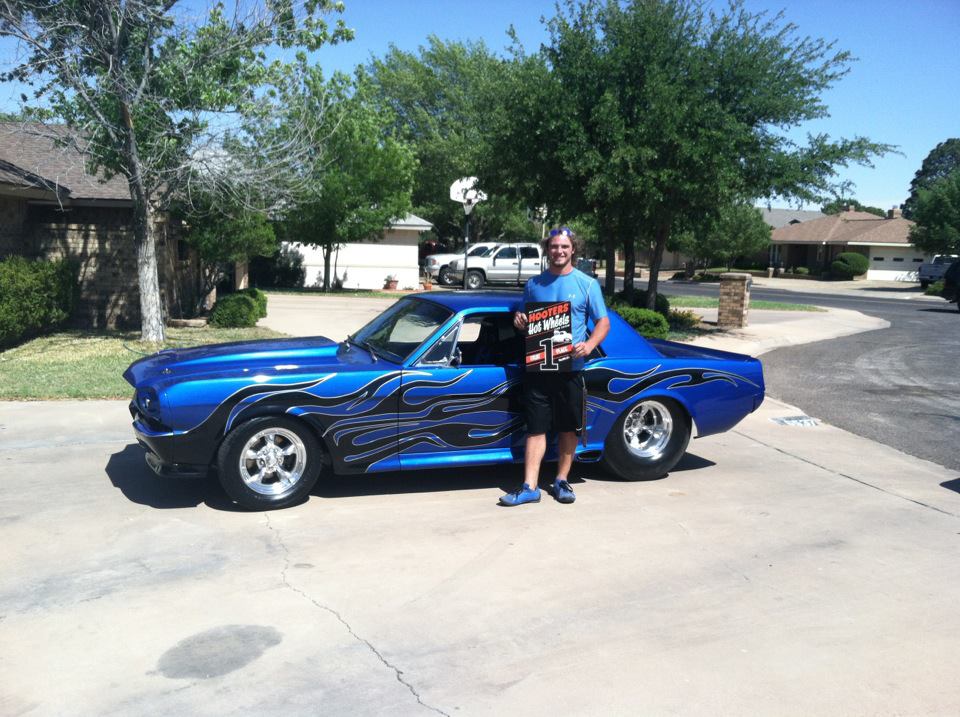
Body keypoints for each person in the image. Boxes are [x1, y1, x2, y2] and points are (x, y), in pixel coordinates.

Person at [500, 227, 610, 506]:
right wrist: (520, 321)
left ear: (573, 249)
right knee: (535, 428)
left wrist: (589, 344)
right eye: (553, 247)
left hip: (571, 369)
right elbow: (525, 319)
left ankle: (562, 481)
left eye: (564, 247)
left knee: (567, 428)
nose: (558, 251)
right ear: (547, 249)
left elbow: (603, 322)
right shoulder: (534, 285)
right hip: (539, 367)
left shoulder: (587, 284)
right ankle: (530, 487)